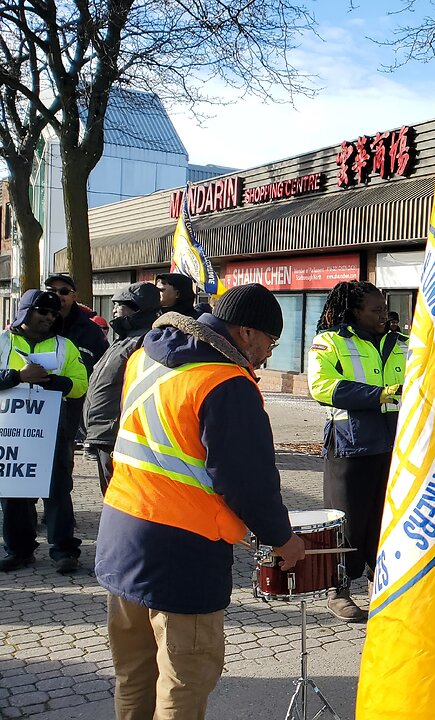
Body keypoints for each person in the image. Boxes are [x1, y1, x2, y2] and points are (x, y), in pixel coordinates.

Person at [96, 282, 305, 719]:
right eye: (270, 340)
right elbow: (246, 479)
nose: (268, 353)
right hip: (182, 554)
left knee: (134, 674)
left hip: (121, 536)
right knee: (184, 680)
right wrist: (281, 538)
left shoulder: (145, 357)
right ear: (246, 333)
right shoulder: (225, 382)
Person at [308, 281, 405, 623]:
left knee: (387, 517)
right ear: (355, 311)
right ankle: (338, 589)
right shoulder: (330, 342)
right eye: (375, 309)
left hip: (396, 444)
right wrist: (377, 395)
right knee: (346, 519)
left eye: (384, 308)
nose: (383, 315)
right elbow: (321, 386)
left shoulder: (403, 344)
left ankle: (381, 582)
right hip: (350, 442)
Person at [0, 290, 88, 574]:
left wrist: (54, 381)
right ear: (25, 311)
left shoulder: (65, 346)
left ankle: (64, 551)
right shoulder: (3, 342)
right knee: (14, 492)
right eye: (42, 312)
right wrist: (17, 377)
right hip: (10, 432)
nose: (49, 318)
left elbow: (80, 384)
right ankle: (19, 550)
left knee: (58, 490)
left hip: (49, 430)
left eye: (52, 314)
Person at [82, 283, 164, 494]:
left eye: (122, 304)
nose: (116, 308)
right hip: (103, 432)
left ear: (138, 309)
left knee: (120, 495)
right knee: (111, 495)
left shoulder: (145, 341)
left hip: (117, 433)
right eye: (115, 303)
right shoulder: (123, 340)